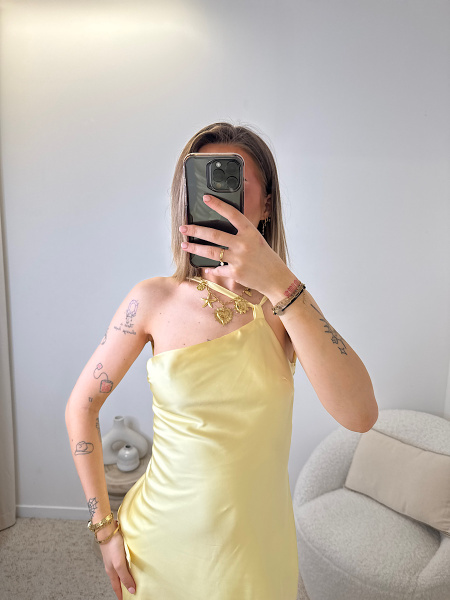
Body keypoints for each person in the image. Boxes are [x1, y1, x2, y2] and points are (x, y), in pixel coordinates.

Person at [65, 121, 378, 600]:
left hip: (255, 554)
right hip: (159, 546)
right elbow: (81, 406)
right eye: (203, 188)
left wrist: (279, 283)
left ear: (267, 205)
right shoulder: (153, 300)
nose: (217, 202)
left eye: (233, 184)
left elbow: (360, 415)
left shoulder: (287, 307)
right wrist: (105, 530)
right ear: (186, 201)